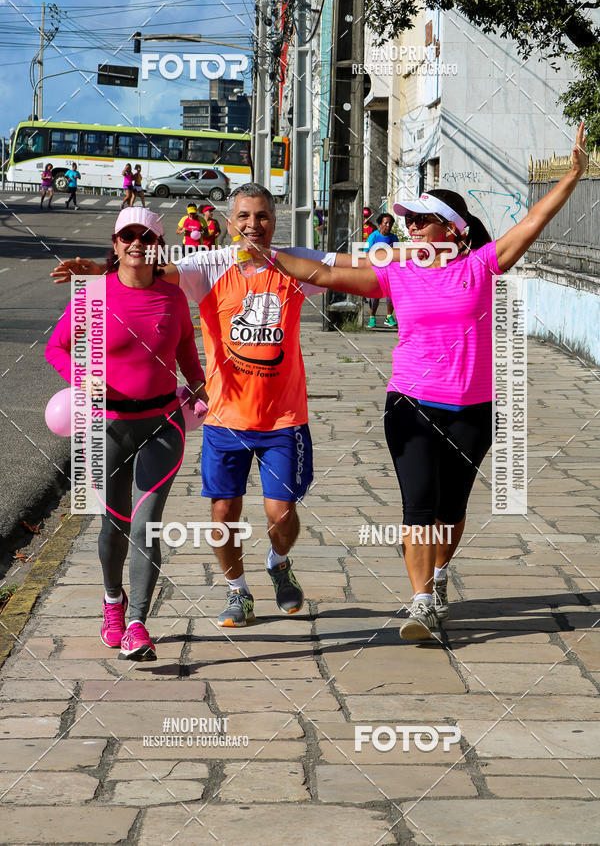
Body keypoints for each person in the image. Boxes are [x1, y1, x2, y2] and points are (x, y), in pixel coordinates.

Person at [244, 124, 588, 641]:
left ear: (453, 230)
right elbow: (327, 274)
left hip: (473, 410)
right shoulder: (397, 272)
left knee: (452, 511)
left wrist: (573, 176)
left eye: (423, 221)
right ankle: (422, 602)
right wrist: (266, 254)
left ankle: (439, 573)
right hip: (411, 404)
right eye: (410, 221)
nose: (413, 228)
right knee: (420, 503)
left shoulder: (482, 265)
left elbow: (533, 222)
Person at [51, 183, 361, 629]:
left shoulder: (294, 262)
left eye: (262, 215)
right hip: (225, 418)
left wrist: (423, 258)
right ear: (230, 222)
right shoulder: (209, 265)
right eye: (244, 216)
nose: (253, 224)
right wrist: (104, 270)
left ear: (274, 221)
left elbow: (352, 266)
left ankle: (278, 562)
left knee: (282, 514)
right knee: (222, 513)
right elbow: (150, 271)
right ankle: (237, 592)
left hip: (284, 418)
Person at [45, 207, 207, 660]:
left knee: (147, 524)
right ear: (115, 245)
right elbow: (56, 348)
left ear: (158, 246)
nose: (137, 242)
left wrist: (199, 386)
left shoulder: (173, 298)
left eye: (146, 236)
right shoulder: (94, 293)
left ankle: (137, 623)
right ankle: (112, 603)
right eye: (127, 235)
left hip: (163, 425)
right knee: (113, 525)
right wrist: (82, 377)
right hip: (106, 427)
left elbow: (186, 350)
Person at [364, 213, 398, 329]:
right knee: (375, 295)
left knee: (391, 295)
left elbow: (398, 254)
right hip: (376, 270)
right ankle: (372, 318)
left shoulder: (394, 238)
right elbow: (366, 253)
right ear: (380, 224)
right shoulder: (373, 236)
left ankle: (389, 317)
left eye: (390, 223)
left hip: (390, 270)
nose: (388, 225)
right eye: (386, 223)